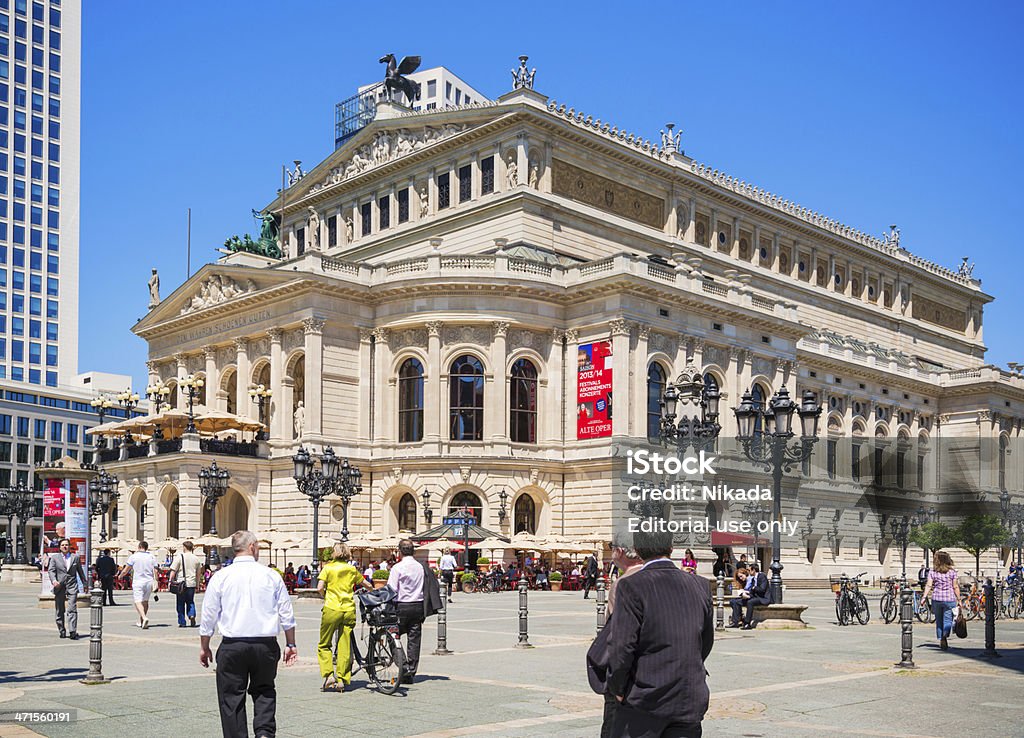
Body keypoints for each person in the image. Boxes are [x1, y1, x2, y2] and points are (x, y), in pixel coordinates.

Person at [605, 534, 714, 737]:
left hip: (645, 698)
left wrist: (618, 689)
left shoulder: (631, 585)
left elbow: (622, 646)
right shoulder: (700, 584)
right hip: (688, 696)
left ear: (637, 550)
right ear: (671, 548)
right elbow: (705, 642)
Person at [200, 530, 298, 738]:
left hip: (232, 645)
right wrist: (291, 643)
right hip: (265, 645)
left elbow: (209, 614)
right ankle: (264, 734)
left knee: (231, 698)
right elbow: (286, 612)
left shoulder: (221, 577)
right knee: (264, 691)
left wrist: (204, 645)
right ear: (252, 547)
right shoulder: (271, 575)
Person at [589, 542, 644, 738]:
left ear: (620, 552)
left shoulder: (624, 583)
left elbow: (618, 637)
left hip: (628, 675)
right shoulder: (666, 578)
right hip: (660, 677)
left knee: (614, 725)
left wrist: (617, 684)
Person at [317, 543, 369, 692]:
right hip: (348, 610)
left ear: (335, 553)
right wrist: (372, 591)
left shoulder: (328, 568)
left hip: (332, 608)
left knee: (324, 644)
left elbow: (320, 587)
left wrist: (326, 595)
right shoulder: (351, 569)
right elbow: (366, 584)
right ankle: (342, 679)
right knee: (345, 644)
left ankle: (328, 675)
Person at [386, 539, 439, 683]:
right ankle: (411, 671)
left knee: (392, 635)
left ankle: (403, 667)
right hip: (418, 606)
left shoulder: (397, 568)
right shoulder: (421, 567)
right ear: (413, 551)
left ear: (400, 551)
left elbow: (392, 590)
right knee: (414, 639)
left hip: (401, 606)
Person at [920, 550, 960, 651]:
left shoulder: (933, 572)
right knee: (948, 620)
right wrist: (959, 599)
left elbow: (929, 585)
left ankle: (941, 637)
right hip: (949, 598)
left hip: (937, 598)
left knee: (939, 620)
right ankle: (945, 636)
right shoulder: (952, 572)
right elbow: (955, 586)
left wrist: (924, 597)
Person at [47, 538, 85, 639]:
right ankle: (62, 630)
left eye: (66, 545)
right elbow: (51, 571)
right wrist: (54, 581)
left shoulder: (75, 557)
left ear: (69, 547)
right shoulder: (55, 558)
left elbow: (80, 571)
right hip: (60, 586)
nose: (65, 546)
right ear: (59, 547)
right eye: (63, 545)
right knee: (60, 610)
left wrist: (85, 584)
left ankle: (72, 631)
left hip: (72, 586)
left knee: (72, 609)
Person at [120, 541, 158, 629]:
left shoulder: (134, 557)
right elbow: (155, 571)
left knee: (137, 601)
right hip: (149, 581)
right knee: (145, 601)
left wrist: (121, 575)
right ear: (146, 547)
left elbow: (126, 569)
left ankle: (144, 617)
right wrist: (156, 581)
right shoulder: (152, 557)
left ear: (139, 546)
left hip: (138, 581)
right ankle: (141, 621)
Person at [169, 540, 204, 628]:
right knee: (190, 601)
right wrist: (197, 584)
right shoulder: (196, 558)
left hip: (181, 583)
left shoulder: (179, 557)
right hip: (191, 583)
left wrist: (170, 581)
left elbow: (173, 570)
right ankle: (192, 614)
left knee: (180, 603)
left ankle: (182, 622)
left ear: (184, 547)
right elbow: (198, 573)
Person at [732, 564, 770, 630]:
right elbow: (752, 592)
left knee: (750, 602)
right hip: (755, 597)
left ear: (754, 570)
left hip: (763, 598)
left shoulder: (762, 576)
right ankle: (736, 621)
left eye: (749, 570)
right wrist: (746, 595)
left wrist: (753, 588)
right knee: (737, 601)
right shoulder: (753, 579)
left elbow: (762, 589)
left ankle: (747, 623)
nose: (748, 572)